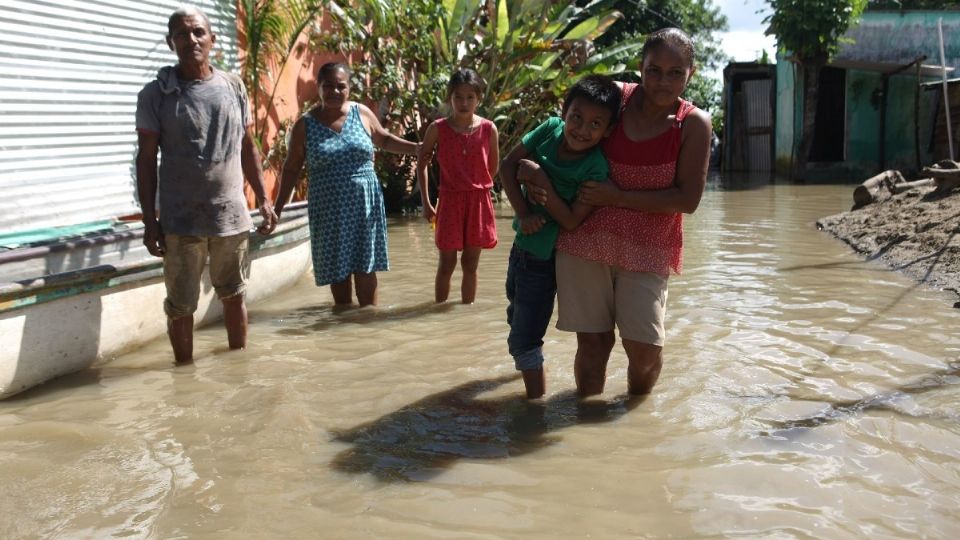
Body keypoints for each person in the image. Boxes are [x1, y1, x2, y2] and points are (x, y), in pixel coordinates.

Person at [522, 27, 712, 397]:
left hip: (649, 248)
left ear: (692, 73)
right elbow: (565, 129)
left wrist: (617, 196)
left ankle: (636, 419)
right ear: (639, 65)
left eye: (676, 73)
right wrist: (533, 175)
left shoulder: (693, 124)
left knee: (644, 352)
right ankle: (588, 431)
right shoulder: (614, 100)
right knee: (593, 346)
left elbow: (688, 200)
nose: (662, 81)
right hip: (584, 240)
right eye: (653, 69)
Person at [135, 6, 278, 364]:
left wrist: (263, 198)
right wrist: (150, 221)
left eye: (198, 32)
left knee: (234, 295)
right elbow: (146, 157)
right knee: (181, 306)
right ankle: (184, 375)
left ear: (212, 39)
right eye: (182, 34)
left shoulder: (233, 86)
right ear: (171, 43)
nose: (191, 40)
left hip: (229, 216)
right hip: (180, 221)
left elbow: (247, 147)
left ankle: (239, 369)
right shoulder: (156, 95)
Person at [499, 75, 621, 398]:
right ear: (564, 111)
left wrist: (540, 178)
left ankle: (533, 408)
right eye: (576, 117)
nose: (582, 129)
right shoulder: (550, 128)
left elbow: (569, 221)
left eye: (596, 124)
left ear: (608, 131)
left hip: (546, 260)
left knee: (523, 339)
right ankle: (531, 374)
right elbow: (507, 165)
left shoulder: (595, 167)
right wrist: (523, 213)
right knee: (514, 313)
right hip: (521, 248)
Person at [273, 62, 419, 307]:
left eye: (341, 86)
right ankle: (343, 322)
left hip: (364, 204)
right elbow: (291, 169)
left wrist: (417, 148)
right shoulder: (305, 126)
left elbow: (383, 138)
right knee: (337, 270)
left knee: (365, 267)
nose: (334, 91)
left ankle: (367, 324)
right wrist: (277, 209)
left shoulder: (361, 113)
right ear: (318, 88)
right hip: (328, 208)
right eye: (327, 86)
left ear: (349, 88)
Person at [416, 69, 500, 304]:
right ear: (449, 98)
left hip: (478, 202)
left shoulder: (488, 129)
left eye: (470, 97)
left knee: (470, 265)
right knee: (447, 264)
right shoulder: (438, 129)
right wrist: (426, 202)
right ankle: (439, 313)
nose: (464, 103)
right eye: (458, 97)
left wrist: (475, 186)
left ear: (479, 99)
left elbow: (492, 168)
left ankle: (467, 312)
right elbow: (421, 164)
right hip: (450, 201)